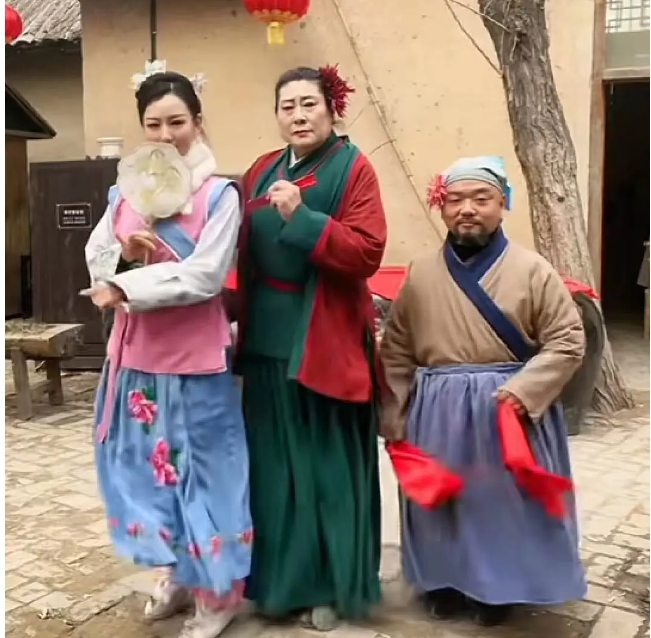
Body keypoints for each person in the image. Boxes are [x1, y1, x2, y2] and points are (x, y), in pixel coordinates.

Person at [380, 156, 587, 627]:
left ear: (502, 204)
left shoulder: (533, 270)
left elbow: (568, 340)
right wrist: (394, 414)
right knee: (439, 502)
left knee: (500, 504)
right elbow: (397, 348)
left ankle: (499, 588)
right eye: (455, 200)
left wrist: (525, 390)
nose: (467, 209)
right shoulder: (421, 273)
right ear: (442, 206)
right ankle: (442, 583)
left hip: (507, 409)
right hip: (436, 410)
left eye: (481, 199)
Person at [83, 71, 251, 638]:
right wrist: (124, 257)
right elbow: (97, 257)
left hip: (194, 365)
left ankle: (218, 593)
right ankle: (177, 572)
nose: (165, 134)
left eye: (177, 121)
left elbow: (206, 275)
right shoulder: (124, 194)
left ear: (197, 123)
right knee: (148, 477)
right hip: (134, 362)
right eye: (153, 124)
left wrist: (127, 285)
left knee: (203, 479)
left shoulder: (219, 195)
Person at [234, 65, 386, 631]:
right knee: (272, 468)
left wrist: (303, 217)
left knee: (325, 470)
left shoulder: (353, 168)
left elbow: (367, 251)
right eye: (287, 106)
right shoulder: (260, 170)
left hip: (324, 334)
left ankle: (329, 585)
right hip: (266, 337)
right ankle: (279, 584)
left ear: (331, 108)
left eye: (308, 104)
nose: (298, 116)